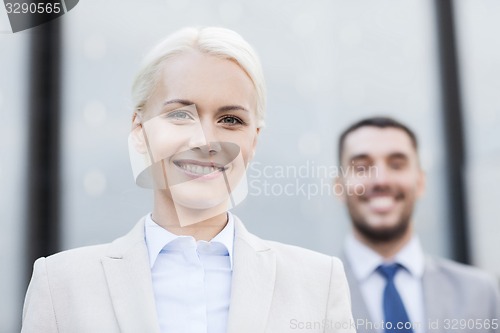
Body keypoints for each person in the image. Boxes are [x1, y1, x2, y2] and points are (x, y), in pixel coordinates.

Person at [21, 27, 355, 333]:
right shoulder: (61, 285)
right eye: (180, 115)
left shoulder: (318, 283)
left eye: (230, 119)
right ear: (139, 131)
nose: (204, 140)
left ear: (253, 141)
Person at [335, 116, 500, 333]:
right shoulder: (311, 293)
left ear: (420, 182)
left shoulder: (479, 293)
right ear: (339, 187)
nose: (381, 180)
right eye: (362, 168)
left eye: (396, 165)